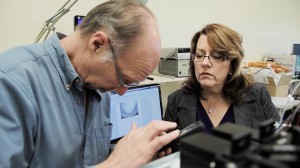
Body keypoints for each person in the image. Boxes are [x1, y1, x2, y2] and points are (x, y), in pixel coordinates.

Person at [0, 0, 179, 168]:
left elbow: (89, 159)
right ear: (97, 44)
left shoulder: (99, 86)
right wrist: (114, 165)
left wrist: (136, 155)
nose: (122, 92)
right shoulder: (11, 82)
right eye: (123, 80)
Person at [164, 23, 280, 135]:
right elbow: (169, 151)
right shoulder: (176, 100)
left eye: (217, 56)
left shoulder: (258, 95)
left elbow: (279, 143)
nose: (205, 63)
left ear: (232, 65)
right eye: (199, 55)